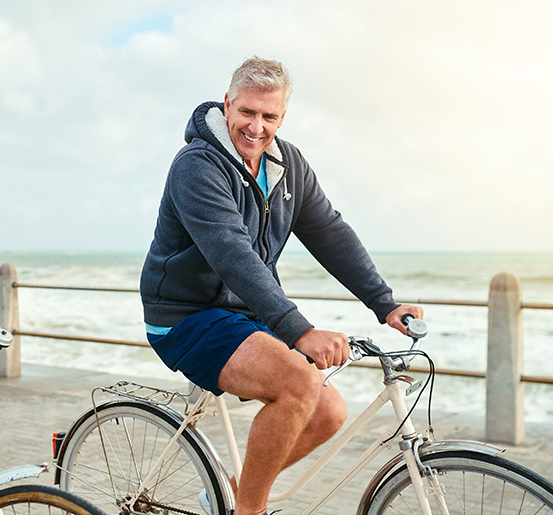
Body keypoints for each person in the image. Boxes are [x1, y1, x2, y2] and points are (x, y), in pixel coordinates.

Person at [139, 56, 424, 515]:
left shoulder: (287, 164)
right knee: (297, 383)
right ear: (228, 104)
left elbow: (329, 233)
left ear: (282, 117)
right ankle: (247, 510)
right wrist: (299, 330)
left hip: (245, 315)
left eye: (268, 116)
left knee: (329, 412)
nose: (256, 126)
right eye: (247, 112)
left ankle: (229, 493)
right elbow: (233, 256)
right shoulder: (198, 165)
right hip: (185, 316)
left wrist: (383, 303)